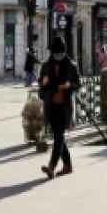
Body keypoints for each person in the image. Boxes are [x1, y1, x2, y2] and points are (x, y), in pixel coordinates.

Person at [38, 37, 81, 179]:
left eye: (60, 52)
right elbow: (41, 90)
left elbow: (78, 84)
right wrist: (44, 84)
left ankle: (52, 166)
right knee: (59, 137)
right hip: (51, 107)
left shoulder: (71, 65)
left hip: (64, 107)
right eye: (56, 52)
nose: (58, 55)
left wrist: (70, 86)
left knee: (58, 136)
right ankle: (67, 166)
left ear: (64, 52)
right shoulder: (46, 66)